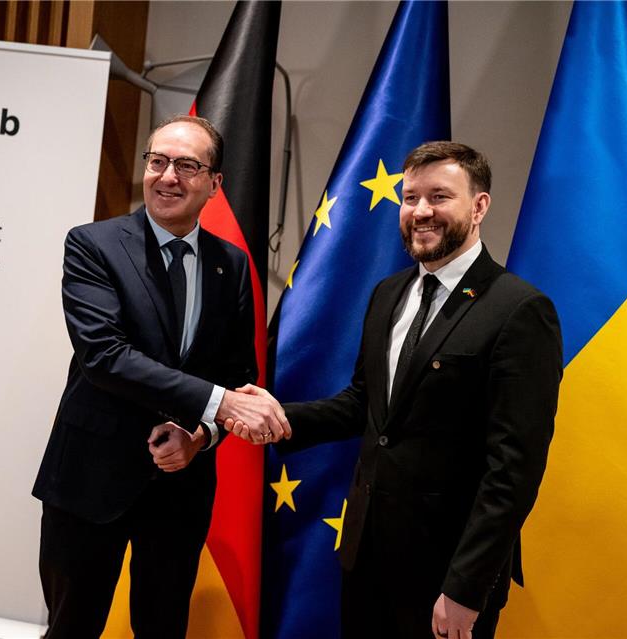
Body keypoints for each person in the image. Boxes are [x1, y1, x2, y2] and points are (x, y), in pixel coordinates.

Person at [229, 142, 562, 639]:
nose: (421, 211)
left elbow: (514, 469)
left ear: (479, 206)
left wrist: (467, 587)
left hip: (447, 572)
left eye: (439, 197)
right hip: (366, 554)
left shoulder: (519, 309)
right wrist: (282, 417)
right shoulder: (389, 293)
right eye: (409, 198)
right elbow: (365, 405)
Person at [33, 115, 289, 639]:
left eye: (187, 165)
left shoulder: (233, 264)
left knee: (163, 626)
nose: (168, 176)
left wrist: (201, 434)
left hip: (180, 489)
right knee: (71, 627)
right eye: (158, 161)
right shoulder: (93, 245)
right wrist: (219, 405)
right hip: (89, 479)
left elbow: (236, 374)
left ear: (215, 184)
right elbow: (105, 355)